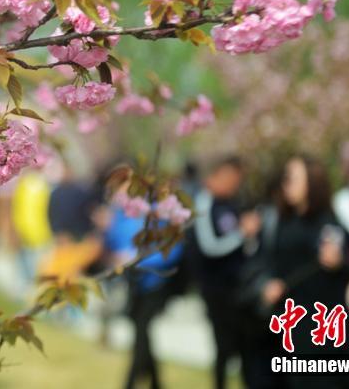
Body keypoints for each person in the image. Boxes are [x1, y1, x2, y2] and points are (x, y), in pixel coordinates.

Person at [254, 155, 349, 389]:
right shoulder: (281, 221)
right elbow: (267, 262)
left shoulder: (327, 222)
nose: (287, 184)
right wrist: (267, 285)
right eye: (285, 178)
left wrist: (339, 261)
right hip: (290, 327)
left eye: (293, 178)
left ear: (312, 182)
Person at [104, 204, 184, 389]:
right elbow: (118, 239)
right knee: (143, 336)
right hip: (135, 286)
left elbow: (170, 254)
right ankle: (156, 383)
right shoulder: (130, 218)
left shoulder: (167, 224)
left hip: (156, 286)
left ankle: (129, 383)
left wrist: (134, 259)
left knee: (141, 333)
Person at [188, 156, 246, 389]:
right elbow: (209, 246)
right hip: (215, 289)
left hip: (235, 286)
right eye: (230, 178)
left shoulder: (231, 203)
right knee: (223, 346)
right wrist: (242, 234)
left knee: (238, 345)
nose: (234, 184)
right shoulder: (204, 203)